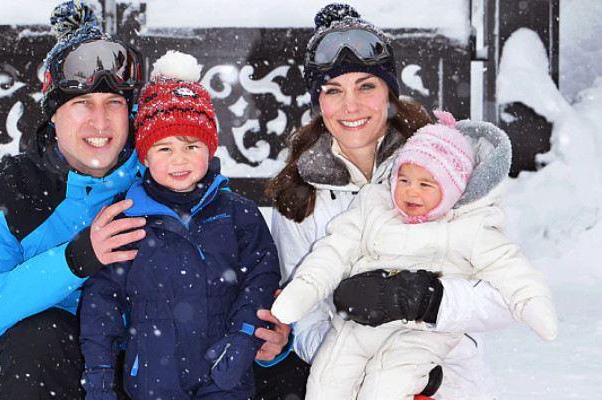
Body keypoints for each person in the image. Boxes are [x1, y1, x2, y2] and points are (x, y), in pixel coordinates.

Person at [0, 2, 287, 399]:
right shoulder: (16, 189)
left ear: (131, 111)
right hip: (76, 370)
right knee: (36, 336)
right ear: (53, 113)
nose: (100, 122)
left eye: (113, 103)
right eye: (82, 103)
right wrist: (73, 261)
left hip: (169, 363)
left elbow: (239, 266)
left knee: (283, 369)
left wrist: (271, 339)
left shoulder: (165, 166)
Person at [265, 4, 520, 400]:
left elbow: (502, 296)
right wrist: (357, 351)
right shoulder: (301, 194)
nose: (350, 106)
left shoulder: (443, 165)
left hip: (446, 379)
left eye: (366, 86)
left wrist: (423, 300)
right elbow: (307, 320)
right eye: (333, 91)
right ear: (318, 102)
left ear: (389, 92)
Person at [271, 110, 559, 399]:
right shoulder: (375, 208)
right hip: (361, 324)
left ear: (451, 189)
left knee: (386, 384)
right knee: (327, 378)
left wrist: (530, 300)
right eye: (404, 180)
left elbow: (508, 266)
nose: (411, 192)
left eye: (425, 184)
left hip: (422, 335)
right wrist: (307, 287)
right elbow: (334, 249)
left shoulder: (468, 227)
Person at [78, 50, 281, 400]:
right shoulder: (126, 217)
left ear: (210, 148)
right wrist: (99, 371)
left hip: (224, 377)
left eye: (191, 146)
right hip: (152, 381)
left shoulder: (238, 214)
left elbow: (261, 278)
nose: (179, 160)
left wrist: (244, 336)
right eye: (164, 149)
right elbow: (102, 300)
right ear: (145, 155)